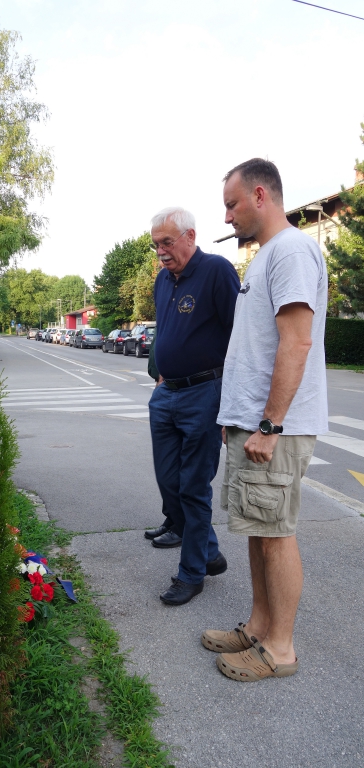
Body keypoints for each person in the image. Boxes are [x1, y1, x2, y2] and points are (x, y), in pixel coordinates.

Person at [202, 158, 328, 681]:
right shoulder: (267, 255)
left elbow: (296, 342)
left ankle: (280, 649)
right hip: (252, 424)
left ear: (260, 195)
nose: (227, 216)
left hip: (274, 429)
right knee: (258, 527)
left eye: (232, 204)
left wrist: (270, 425)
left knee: (275, 532)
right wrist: (236, 417)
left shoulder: (292, 251)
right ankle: (258, 627)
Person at [149, 207, 240, 605]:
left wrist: (231, 406)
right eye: (156, 245)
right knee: (170, 483)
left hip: (205, 392)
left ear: (190, 236)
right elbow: (165, 332)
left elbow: (241, 337)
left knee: (193, 487)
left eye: (167, 243)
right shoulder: (162, 280)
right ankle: (208, 551)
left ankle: (192, 573)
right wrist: (160, 376)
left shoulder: (216, 270)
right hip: (167, 393)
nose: (161, 252)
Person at [144, 331, 182, 548]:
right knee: (166, 469)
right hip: (165, 386)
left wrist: (163, 378)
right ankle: (173, 518)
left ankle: (182, 526)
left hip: (178, 386)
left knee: (178, 470)